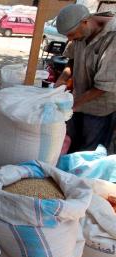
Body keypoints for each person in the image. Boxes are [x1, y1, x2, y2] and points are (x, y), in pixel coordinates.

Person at [55, 4, 116, 153]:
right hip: (77, 103)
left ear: (85, 22)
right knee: (69, 144)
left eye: (71, 34)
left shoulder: (112, 38)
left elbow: (103, 87)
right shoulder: (81, 30)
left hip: (99, 111)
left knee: (88, 153)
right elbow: (72, 60)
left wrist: (72, 105)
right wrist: (63, 78)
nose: (70, 39)